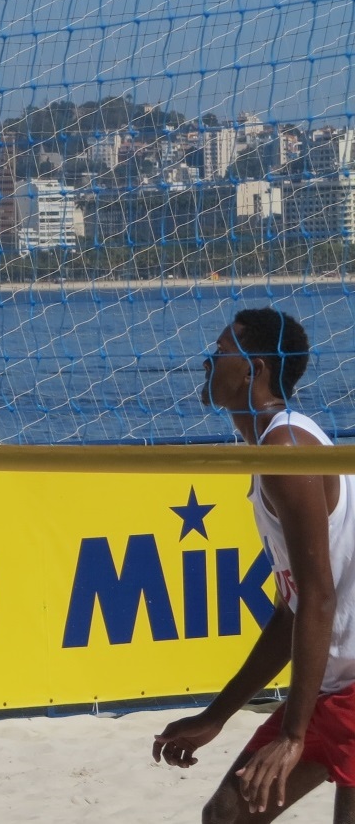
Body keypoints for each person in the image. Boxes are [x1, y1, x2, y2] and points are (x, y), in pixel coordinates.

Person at [154, 308, 354, 822]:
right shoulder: (274, 447)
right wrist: (215, 716)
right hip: (334, 687)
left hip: (351, 690)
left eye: (220, 352)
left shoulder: (286, 448)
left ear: (254, 369)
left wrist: (292, 736)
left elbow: (318, 598)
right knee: (225, 814)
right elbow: (292, 612)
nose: (207, 361)